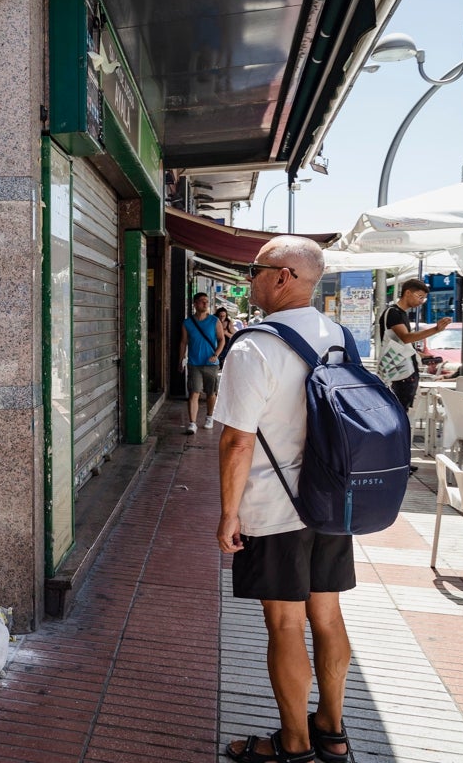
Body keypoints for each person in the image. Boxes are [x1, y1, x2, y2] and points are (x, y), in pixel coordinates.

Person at [214, 236, 355, 763]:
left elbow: (237, 440)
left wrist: (230, 514)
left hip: (275, 507)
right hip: (332, 503)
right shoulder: (340, 337)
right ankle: (333, 732)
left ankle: (293, 744)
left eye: (255, 269)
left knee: (285, 624)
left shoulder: (254, 345)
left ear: (282, 277)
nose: (248, 278)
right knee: (328, 616)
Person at [378, 279, 452, 413]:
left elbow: (402, 342)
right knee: (398, 411)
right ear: (407, 293)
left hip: (404, 371)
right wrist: (435, 329)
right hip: (399, 373)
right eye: (420, 297)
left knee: (402, 410)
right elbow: (405, 338)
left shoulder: (401, 314)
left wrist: (420, 355)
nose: (421, 301)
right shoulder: (394, 313)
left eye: (423, 298)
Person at [179, 292, 225, 434]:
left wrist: (216, 354)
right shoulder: (187, 323)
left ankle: (209, 417)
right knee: (194, 392)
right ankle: (192, 423)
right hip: (194, 363)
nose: (205, 304)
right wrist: (180, 360)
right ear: (195, 304)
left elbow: (221, 339)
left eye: (206, 301)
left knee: (211, 393)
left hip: (211, 363)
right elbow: (183, 342)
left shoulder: (214, 321)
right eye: (202, 301)